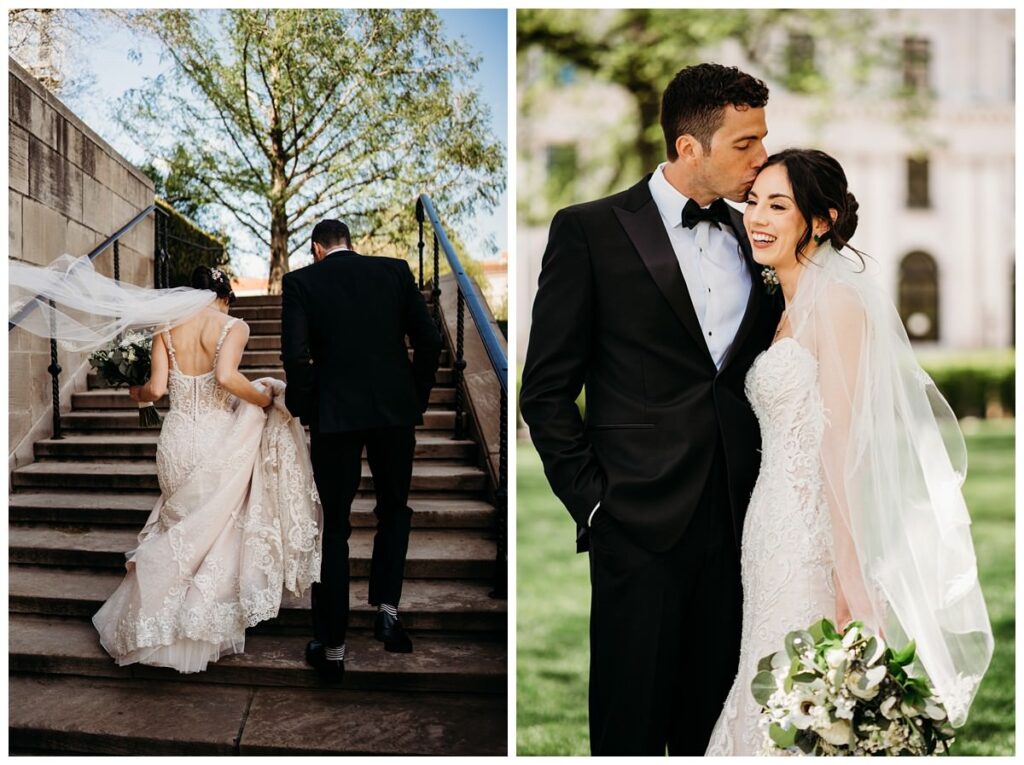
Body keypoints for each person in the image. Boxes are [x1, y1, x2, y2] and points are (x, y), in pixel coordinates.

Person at [519, 63, 780, 755]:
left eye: (763, 140)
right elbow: (544, 390)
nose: (761, 158)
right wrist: (597, 505)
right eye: (745, 144)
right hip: (635, 523)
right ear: (688, 147)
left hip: (742, 522)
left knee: (717, 730)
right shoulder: (588, 230)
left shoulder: (762, 239)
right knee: (629, 728)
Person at [705, 149, 993, 754]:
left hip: (812, 537)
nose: (757, 216)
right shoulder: (782, 309)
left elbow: (843, 448)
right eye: (754, 201)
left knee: (803, 694)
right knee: (768, 684)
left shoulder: (836, 304)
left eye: (778, 205)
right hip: (769, 529)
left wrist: (852, 581)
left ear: (821, 219)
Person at [92, 266, 321, 673]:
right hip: (215, 437)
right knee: (213, 530)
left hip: (176, 440)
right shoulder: (234, 326)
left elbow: (157, 390)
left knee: (178, 526)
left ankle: (154, 621)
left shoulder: (167, 325)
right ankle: (192, 621)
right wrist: (266, 401)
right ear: (224, 296)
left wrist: (136, 394)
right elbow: (227, 377)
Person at [281, 219, 442, 684]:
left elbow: (295, 356)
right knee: (394, 510)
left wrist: (308, 407)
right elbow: (429, 341)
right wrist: (416, 396)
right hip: (394, 412)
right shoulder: (393, 271)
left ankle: (332, 648)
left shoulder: (302, 282)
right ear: (349, 242)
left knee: (334, 526)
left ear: (316, 248)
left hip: (335, 418)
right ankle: (388, 613)